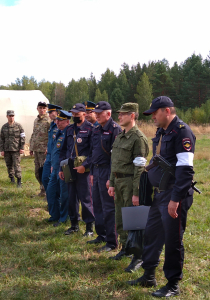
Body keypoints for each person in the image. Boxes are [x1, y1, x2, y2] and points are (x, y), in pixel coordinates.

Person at [128, 96, 196, 298]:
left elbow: (185, 170)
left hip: (174, 195)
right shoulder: (162, 131)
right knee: (151, 233)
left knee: (173, 239)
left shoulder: (182, 132)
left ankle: (173, 284)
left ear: (167, 111)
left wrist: (175, 199)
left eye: (155, 113)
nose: (152, 118)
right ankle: (149, 274)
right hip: (159, 194)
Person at [108, 103, 148, 272]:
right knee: (120, 218)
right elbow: (114, 162)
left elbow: (140, 167)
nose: (119, 117)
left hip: (130, 183)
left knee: (134, 221)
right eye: (119, 114)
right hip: (118, 182)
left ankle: (138, 257)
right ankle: (125, 248)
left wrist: (137, 192)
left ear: (132, 116)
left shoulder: (138, 138)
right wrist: (111, 181)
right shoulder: (119, 137)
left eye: (123, 114)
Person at [86, 101, 121, 253]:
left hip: (108, 171)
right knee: (97, 205)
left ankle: (112, 241)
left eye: (101, 113)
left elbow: (116, 157)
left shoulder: (115, 130)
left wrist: (111, 177)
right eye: (96, 113)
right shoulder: (96, 129)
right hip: (97, 171)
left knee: (109, 207)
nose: (97, 115)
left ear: (109, 114)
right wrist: (92, 172)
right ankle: (101, 234)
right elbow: (93, 152)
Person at [59, 103, 95, 236]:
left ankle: (89, 227)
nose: (74, 116)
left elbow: (94, 152)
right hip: (69, 168)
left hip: (83, 170)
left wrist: (85, 166)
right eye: (73, 114)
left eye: (77, 114)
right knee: (71, 197)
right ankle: (74, 224)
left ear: (84, 114)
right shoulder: (69, 130)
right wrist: (61, 168)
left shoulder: (91, 129)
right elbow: (63, 150)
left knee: (86, 198)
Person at [47, 110, 71, 226]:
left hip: (64, 168)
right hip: (55, 168)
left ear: (67, 122)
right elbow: (55, 151)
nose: (57, 122)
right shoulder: (58, 132)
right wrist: (52, 165)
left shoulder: (69, 133)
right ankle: (54, 215)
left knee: (64, 195)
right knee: (51, 191)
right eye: (57, 120)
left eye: (60, 121)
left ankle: (63, 218)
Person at [0, 110, 25, 188]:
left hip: (15, 149)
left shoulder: (19, 126)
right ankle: (12, 179)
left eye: (12, 116)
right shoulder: (4, 127)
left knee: (16, 165)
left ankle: (19, 181)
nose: (11, 117)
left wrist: (22, 148)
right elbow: (1, 139)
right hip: (7, 149)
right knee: (9, 165)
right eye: (10, 116)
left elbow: (22, 137)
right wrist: (2, 150)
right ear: (7, 116)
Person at [29, 101, 50, 197]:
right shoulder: (36, 120)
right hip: (37, 150)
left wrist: (49, 148)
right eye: (40, 108)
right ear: (37, 109)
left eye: (44, 108)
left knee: (45, 171)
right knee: (37, 172)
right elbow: (34, 134)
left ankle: (47, 192)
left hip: (44, 150)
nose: (42, 110)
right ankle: (42, 189)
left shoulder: (49, 120)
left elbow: (51, 136)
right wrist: (31, 147)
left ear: (46, 109)